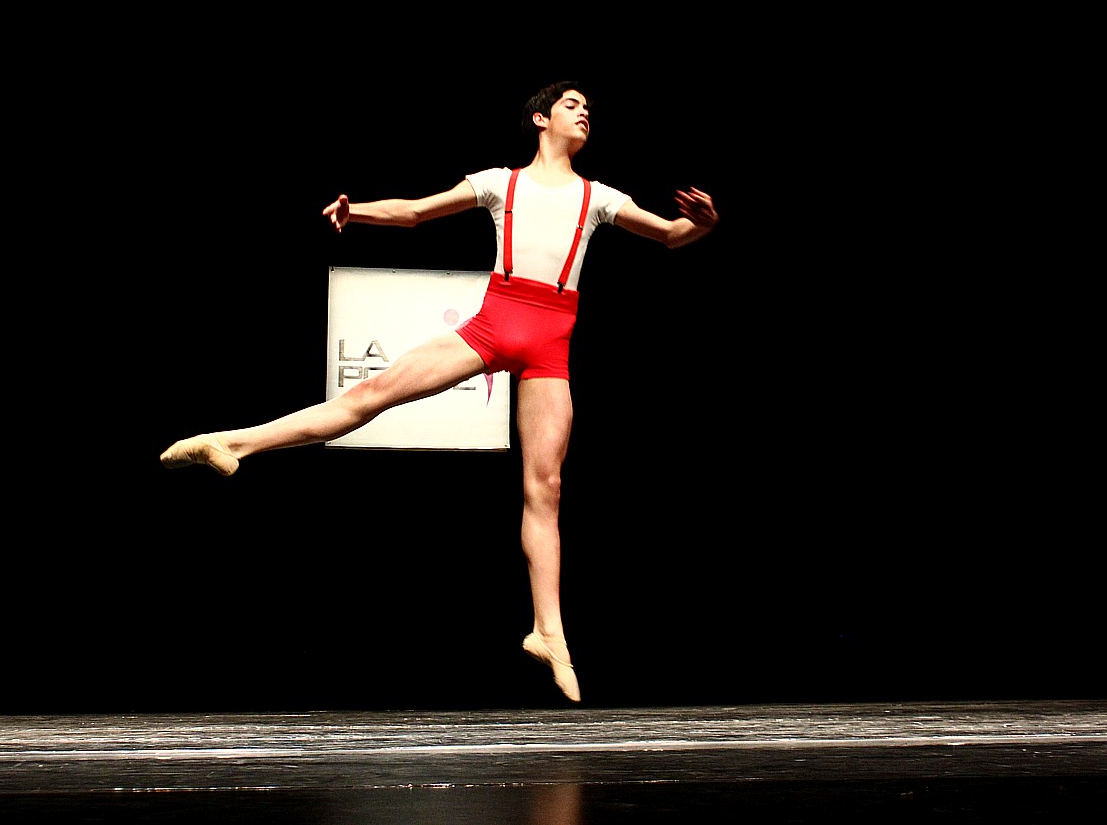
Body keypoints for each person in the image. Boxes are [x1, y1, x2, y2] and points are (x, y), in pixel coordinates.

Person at [160, 81, 718, 703]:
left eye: (588, 107)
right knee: (369, 396)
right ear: (540, 119)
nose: (584, 112)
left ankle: (549, 632)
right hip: (495, 322)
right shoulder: (501, 183)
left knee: (547, 489)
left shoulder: (599, 196)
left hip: (551, 345)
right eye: (571, 104)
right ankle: (230, 442)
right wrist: (356, 211)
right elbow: (417, 212)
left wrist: (702, 225)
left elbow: (671, 235)